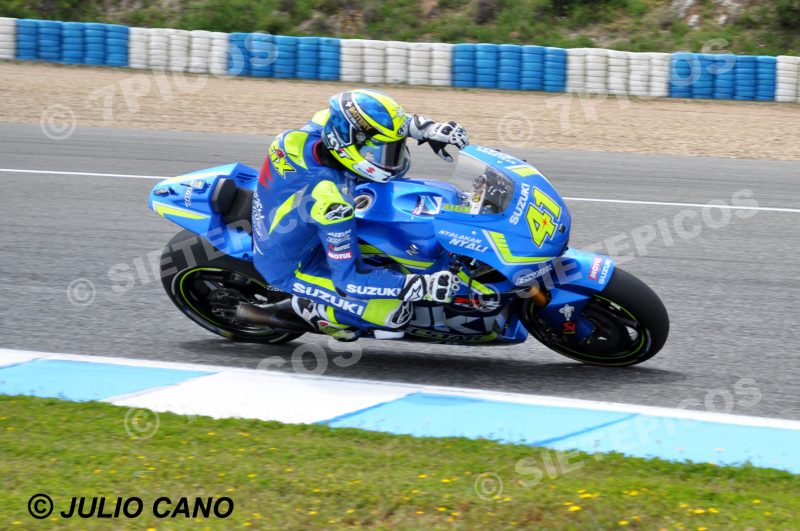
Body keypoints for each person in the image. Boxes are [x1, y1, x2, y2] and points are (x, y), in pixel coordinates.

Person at [251, 88, 469, 340]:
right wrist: (421, 286)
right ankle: (312, 311)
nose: (392, 158)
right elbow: (349, 279)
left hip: (287, 214)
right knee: (392, 313)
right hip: (294, 265)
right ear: (349, 146)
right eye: (383, 151)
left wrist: (427, 129)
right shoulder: (333, 204)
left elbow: (381, 123)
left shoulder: (318, 128)